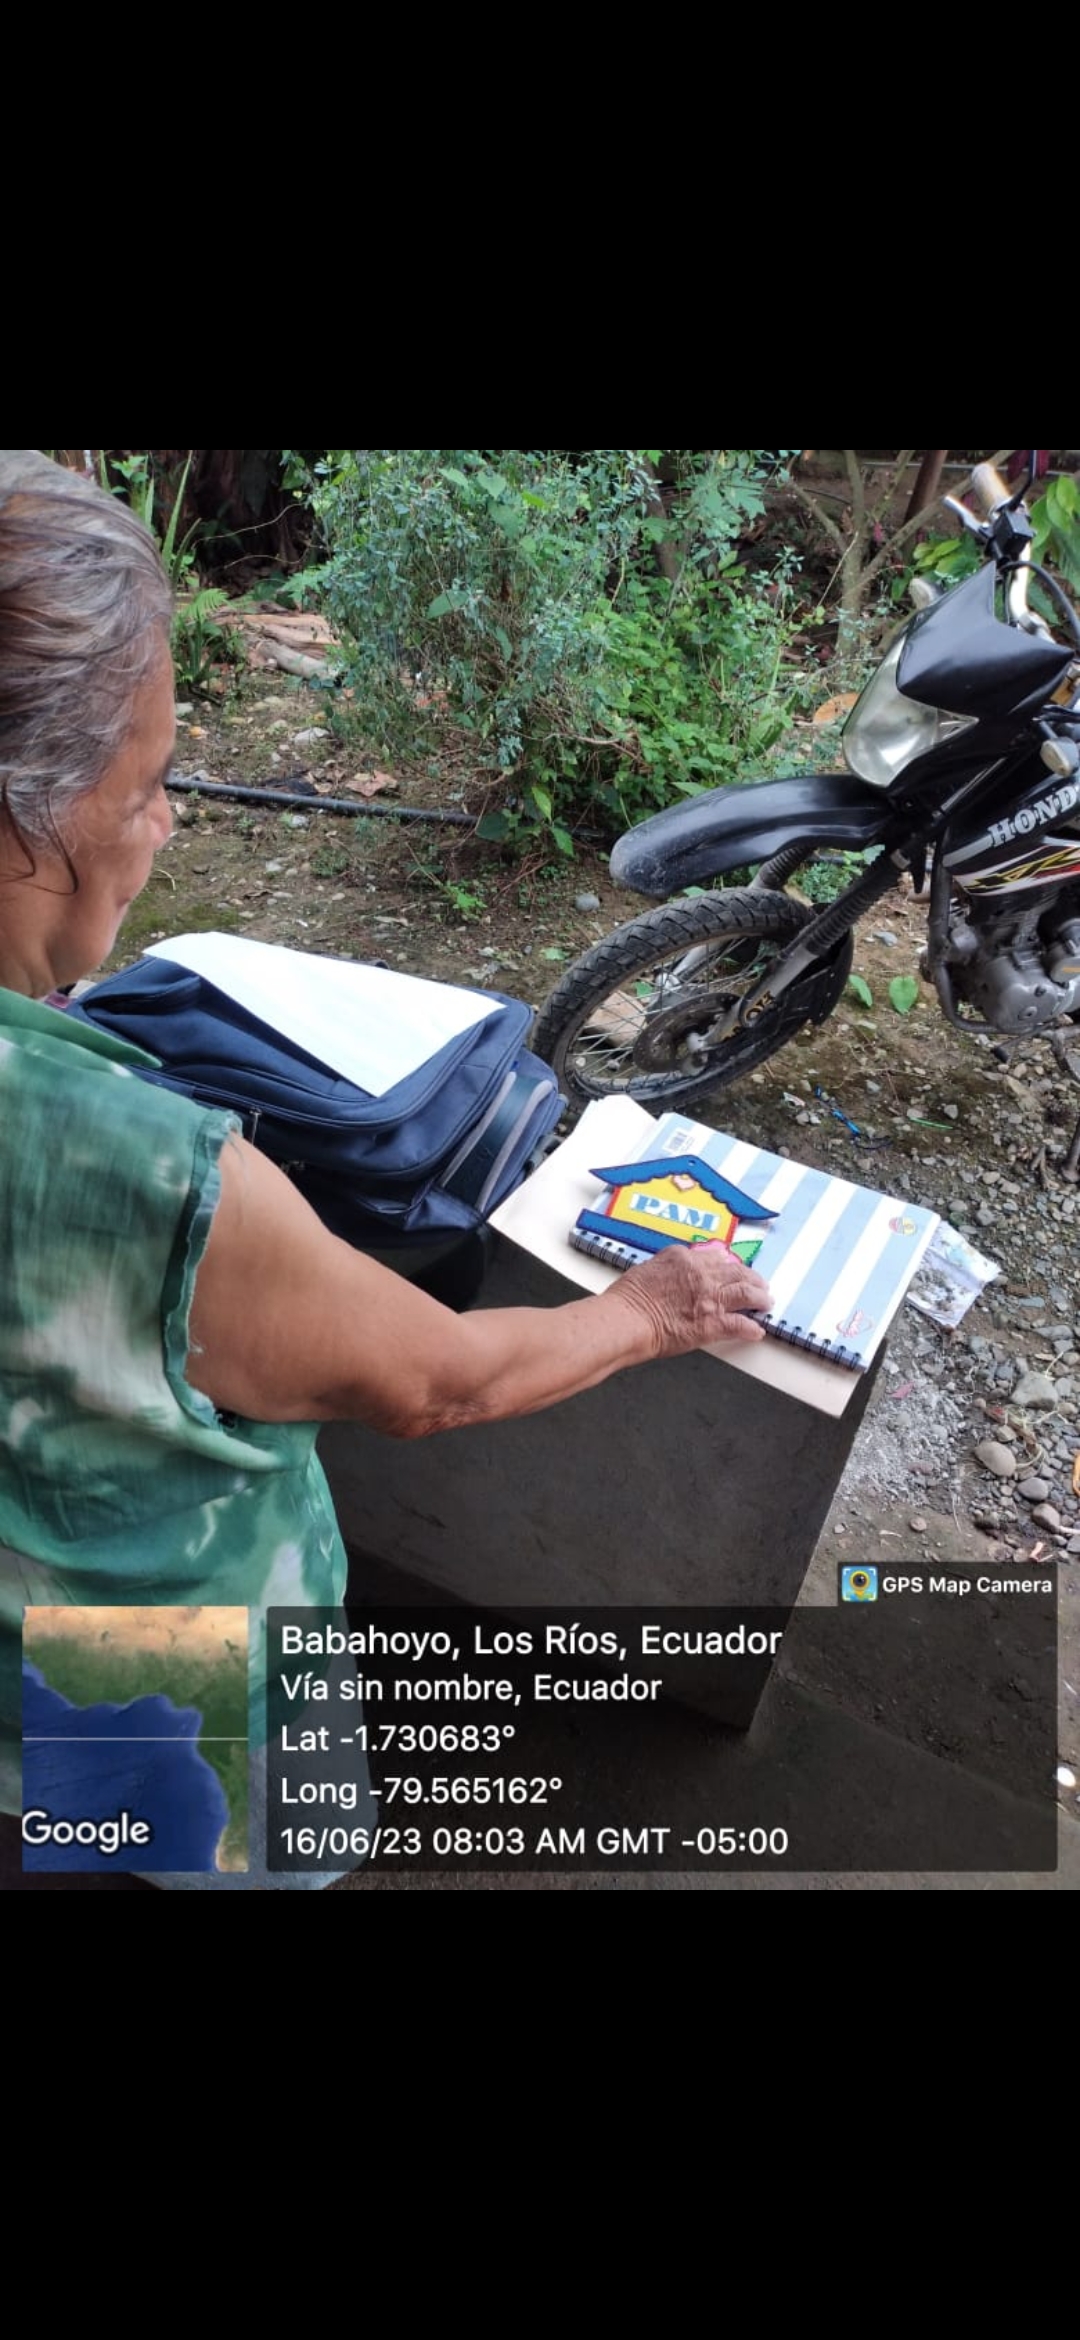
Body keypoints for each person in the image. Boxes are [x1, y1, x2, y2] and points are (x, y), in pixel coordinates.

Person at [0, 450, 772, 1891]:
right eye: (150, 784)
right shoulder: (154, 1172)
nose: (168, 823)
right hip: (151, 1656)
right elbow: (433, 1384)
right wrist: (651, 1310)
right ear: (21, 816)